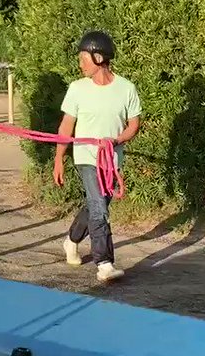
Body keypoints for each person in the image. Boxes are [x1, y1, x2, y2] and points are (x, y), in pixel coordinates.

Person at [55, 31, 141, 283]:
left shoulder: (126, 88)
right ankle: (104, 263)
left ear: (99, 57)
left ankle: (71, 240)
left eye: (84, 57)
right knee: (99, 208)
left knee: (96, 205)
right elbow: (65, 127)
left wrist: (117, 140)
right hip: (85, 157)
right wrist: (59, 158)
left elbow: (133, 124)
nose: (80, 62)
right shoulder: (77, 89)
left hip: (111, 160)